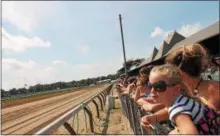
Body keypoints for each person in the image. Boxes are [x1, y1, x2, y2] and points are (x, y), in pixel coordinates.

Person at [141, 64, 220, 134]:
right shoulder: (181, 100)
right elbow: (167, 110)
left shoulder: (178, 110)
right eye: (150, 85)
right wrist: (154, 117)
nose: (152, 90)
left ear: (176, 89)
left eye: (159, 86)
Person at [165, 43, 219, 111]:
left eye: (171, 70)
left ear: (180, 71)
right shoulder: (184, 90)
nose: (169, 74)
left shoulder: (214, 90)